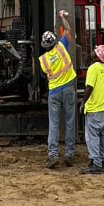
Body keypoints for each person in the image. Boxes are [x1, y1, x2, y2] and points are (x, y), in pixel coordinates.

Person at [39, 9, 77, 168]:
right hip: (69, 89)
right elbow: (68, 30)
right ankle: (69, 153)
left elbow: (43, 75)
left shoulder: (43, 59)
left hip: (54, 93)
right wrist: (62, 17)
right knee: (69, 122)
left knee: (53, 124)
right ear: (54, 41)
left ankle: (53, 154)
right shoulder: (62, 46)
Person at [80, 43, 104, 175]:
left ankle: (96, 163)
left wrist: (83, 103)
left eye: (94, 51)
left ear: (97, 55)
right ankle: (103, 160)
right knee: (103, 135)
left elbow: (89, 87)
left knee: (92, 136)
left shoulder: (93, 68)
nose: (91, 53)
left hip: (94, 107)